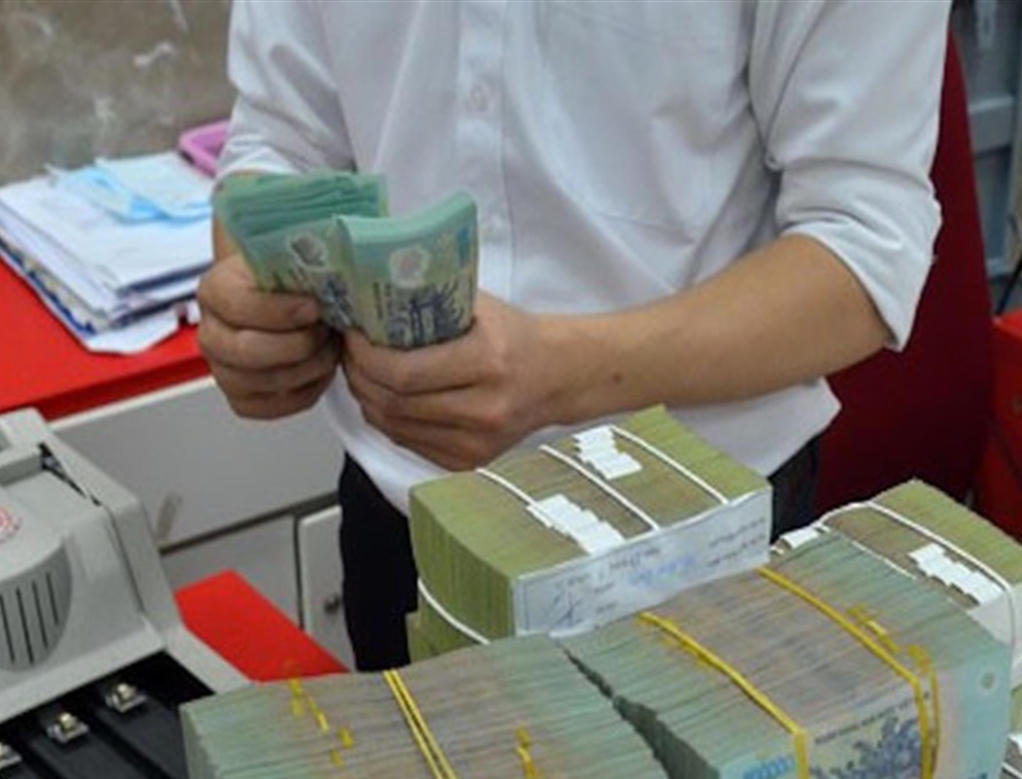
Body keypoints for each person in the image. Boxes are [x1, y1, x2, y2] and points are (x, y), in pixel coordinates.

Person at [199, 0, 951, 671]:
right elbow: (279, 139)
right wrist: (257, 299)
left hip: (690, 536)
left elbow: (863, 245)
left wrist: (560, 374)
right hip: (405, 519)